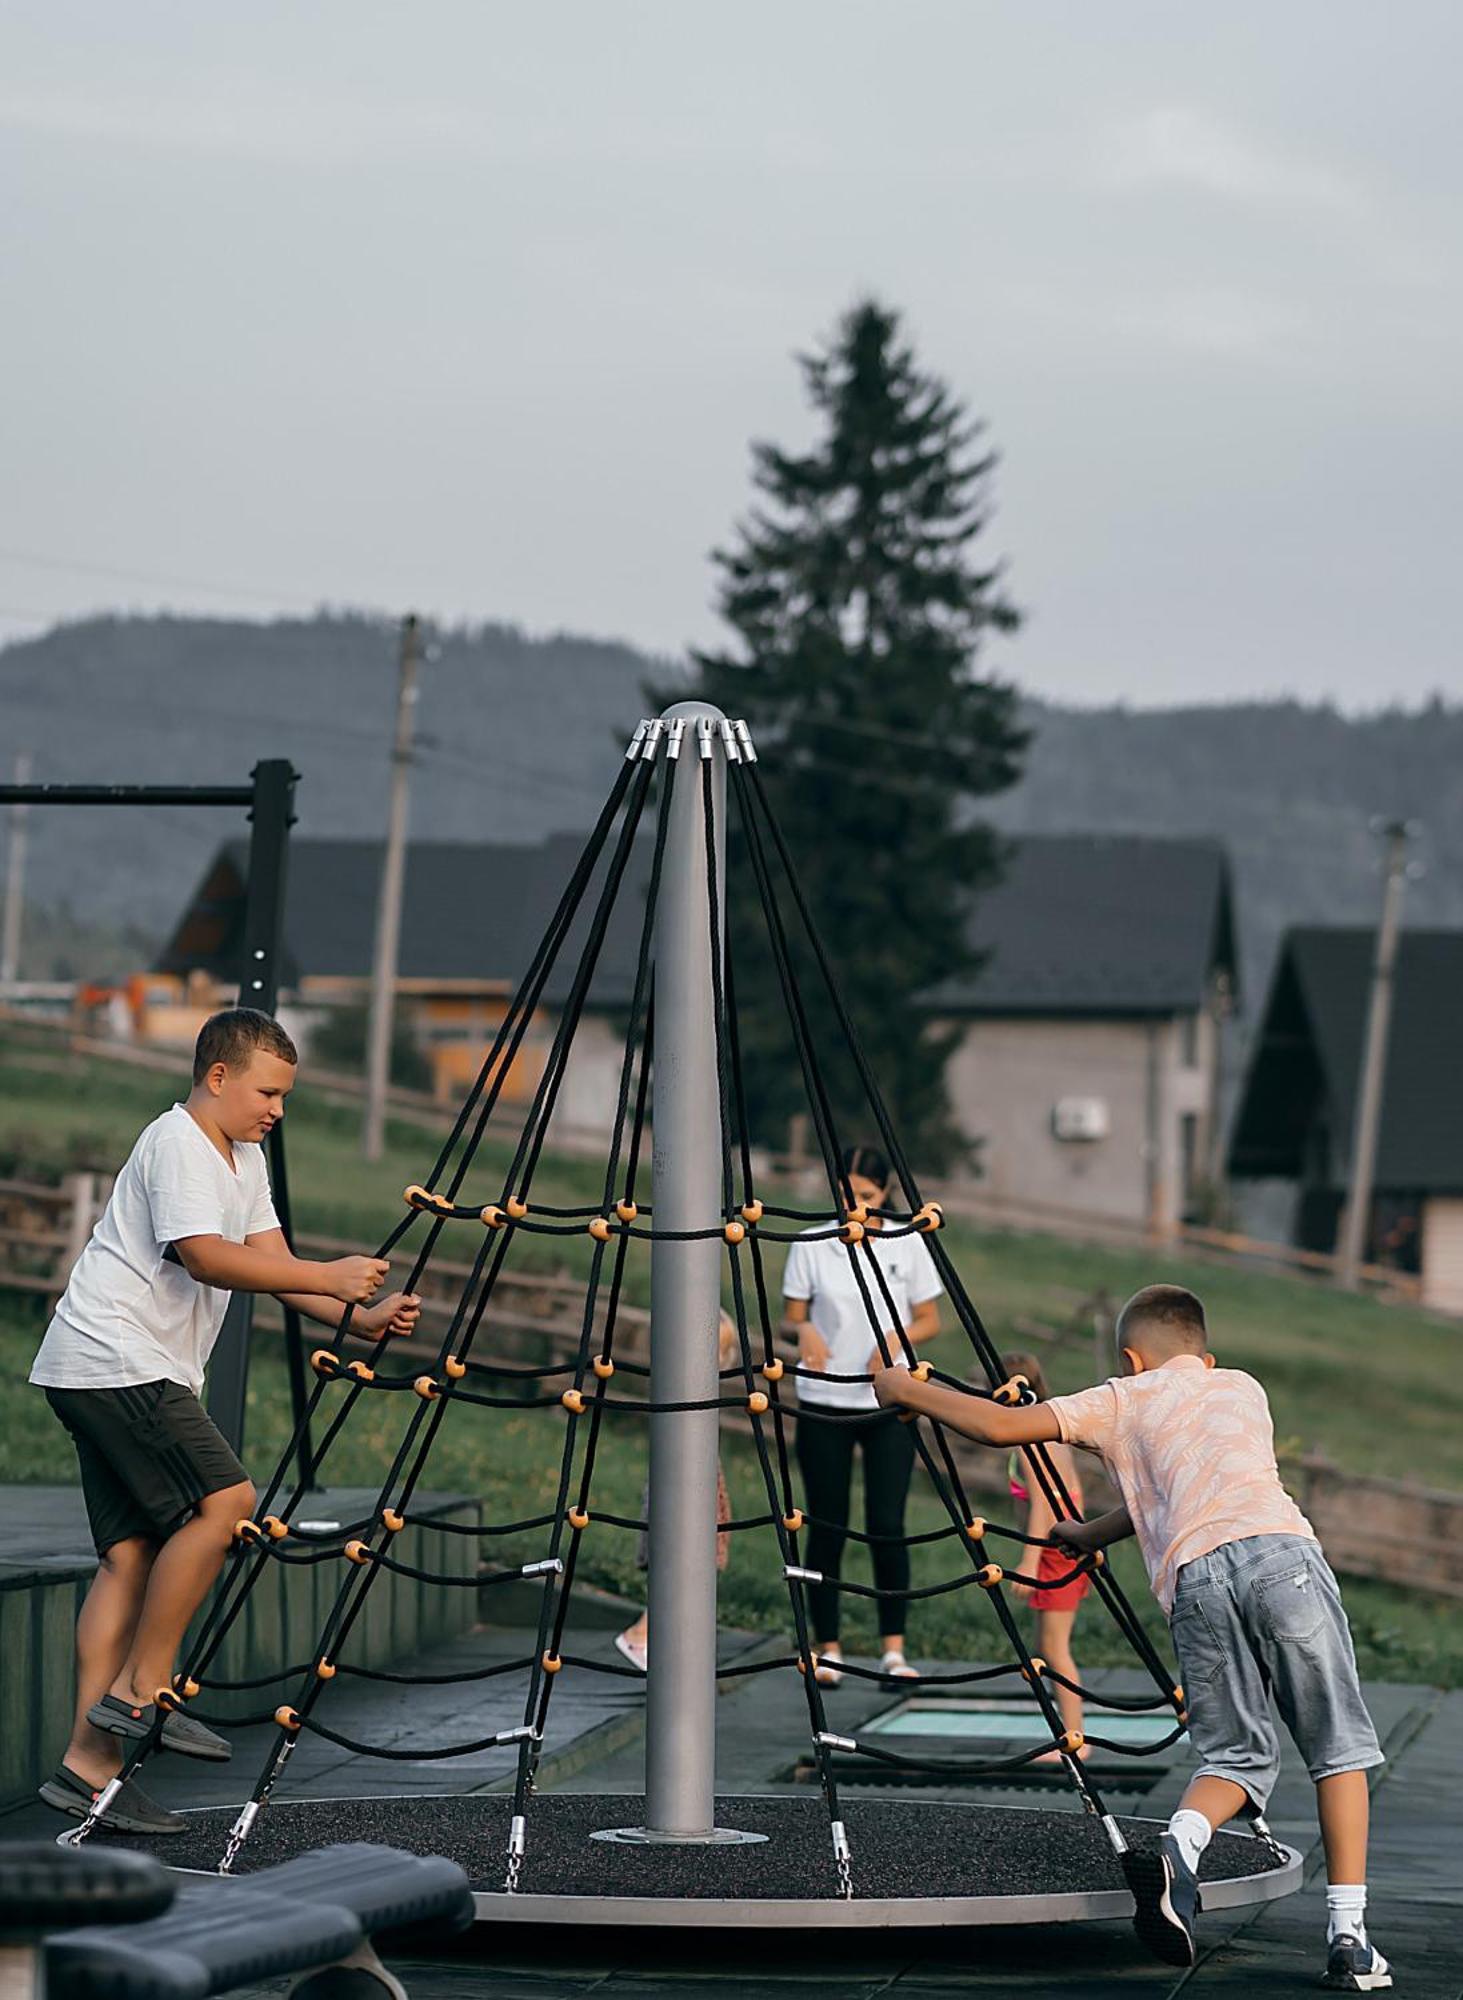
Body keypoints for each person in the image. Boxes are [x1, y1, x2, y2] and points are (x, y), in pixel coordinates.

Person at [875, 1283, 1389, 1992]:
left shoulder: (1119, 1398)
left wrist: (902, 1386)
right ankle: (1348, 1937)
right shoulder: (1242, 1387)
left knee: (1233, 1756)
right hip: (1281, 1561)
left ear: (1128, 1358)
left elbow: (996, 1427)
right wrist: (1091, 1534)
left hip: (1195, 1579)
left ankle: (1181, 1841)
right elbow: (1186, 1477)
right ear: (1203, 1355)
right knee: (1336, 1750)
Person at [29, 1007, 421, 1835]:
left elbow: (271, 1267)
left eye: (285, 1094)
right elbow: (204, 1256)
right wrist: (331, 1272)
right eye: (266, 1091)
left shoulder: (244, 1157)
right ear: (217, 1077)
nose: (277, 1109)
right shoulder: (178, 1144)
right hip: (118, 1358)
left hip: (100, 1365)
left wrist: (359, 1316)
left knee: (130, 1556)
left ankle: (85, 1769)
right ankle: (144, 1693)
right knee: (228, 1501)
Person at [783, 1145, 943, 1686]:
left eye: (867, 1197)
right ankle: (827, 1647)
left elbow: (930, 1318)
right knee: (826, 1526)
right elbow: (793, 1315)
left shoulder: (907, 1238)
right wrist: (803, 1331)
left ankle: (893, 1649)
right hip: (824, 1401)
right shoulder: (811, 1242)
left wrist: (896, 1337)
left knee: (887, 1525)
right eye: (847, 1196)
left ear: (885, 1193)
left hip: (890, 1401)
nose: (855, 1207)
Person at [615, 1310, 737, 1672]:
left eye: (722, 1351)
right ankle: (641, 1635)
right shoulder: (678, 1385)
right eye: (712, 1348)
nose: (717, 1359)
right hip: (678, 1481)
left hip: (695, 1473)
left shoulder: (696, 1390)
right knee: (678, 1558)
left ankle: (666, 1641)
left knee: (691, 1566)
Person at [1001, 1351, 1090, 1757]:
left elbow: (1042, 1502)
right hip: (1062, 1550)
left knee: (1056, 1650)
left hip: (1054, 1553)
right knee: (1045, 1650)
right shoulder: (1044, 1427)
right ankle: (1064, 1733)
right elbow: (1076, 1493)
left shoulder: (1031, 1441)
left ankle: (1077, 1740)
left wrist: (1029, 1562)